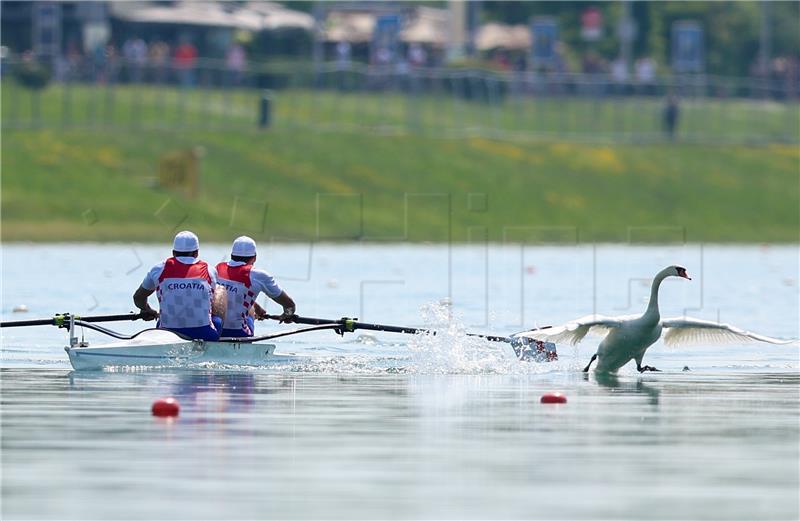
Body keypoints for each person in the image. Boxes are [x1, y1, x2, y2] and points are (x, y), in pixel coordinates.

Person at [133, 231, 226, 340]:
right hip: (204, 334)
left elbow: (138, 297)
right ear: (196, 253)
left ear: (173, 253)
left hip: (167, 335)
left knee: (160, 323)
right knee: (220, 289)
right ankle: (221, 338)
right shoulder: (210, 270)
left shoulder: (158, 269)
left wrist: (147, 309)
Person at [215, 236, 297, 338]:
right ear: (254, 258)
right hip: (237, 332)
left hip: (215, 330)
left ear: (232, 255)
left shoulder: (218, 268)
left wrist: (256, 307)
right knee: (247, 309)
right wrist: (287, 314)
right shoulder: (258, 275)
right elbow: (289, 304)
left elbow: (229, 294)